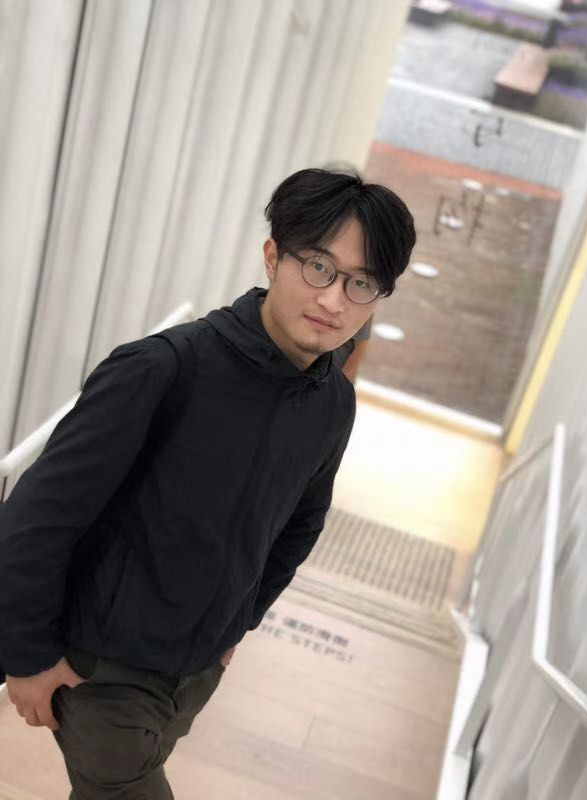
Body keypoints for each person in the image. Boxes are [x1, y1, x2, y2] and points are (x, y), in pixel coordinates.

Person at [0, 167, 416, 799]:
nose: (335, 301)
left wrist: (235, 627)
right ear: (273, 257)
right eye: (319, 268)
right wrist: (26, 654)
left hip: (193, 674)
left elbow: (299, 525)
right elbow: (35, 521)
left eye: (362, 283)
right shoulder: (163, 369)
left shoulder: (333, 402)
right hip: (101, 669)